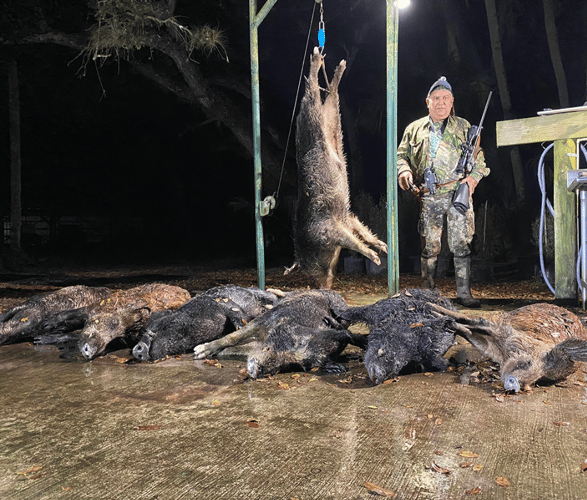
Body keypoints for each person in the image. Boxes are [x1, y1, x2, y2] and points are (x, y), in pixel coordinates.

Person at [397, 76, 490, 307]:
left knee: (461, 243)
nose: (441, 103)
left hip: (458, 192)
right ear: (427, 101)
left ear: (452, 101)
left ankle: (464, 293)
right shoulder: (414, 129)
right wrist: (404, 173)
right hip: (429, 195)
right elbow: (401, 156)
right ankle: (428, 293)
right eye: (436, 98)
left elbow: (479, 159)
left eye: (445, 98)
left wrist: (472, 180)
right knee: (430, 246)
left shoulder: (464, 127)